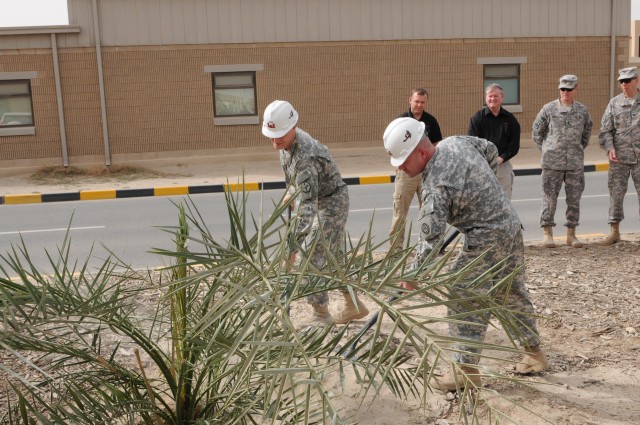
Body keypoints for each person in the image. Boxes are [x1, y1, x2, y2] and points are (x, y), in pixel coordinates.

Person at [383, 117, 548, 391]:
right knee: (512, 293)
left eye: (403, 160)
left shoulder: (436, 186)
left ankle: (465, 370)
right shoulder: (455, 142)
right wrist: (483, 190)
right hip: (508, 225)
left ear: (421, 152)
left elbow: (430, 243)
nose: (400, 167)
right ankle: (534, 354)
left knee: (462, 295)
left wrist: (411, 277)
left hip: (487, 237)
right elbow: (490, 151)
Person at [261, 100, 368, 325]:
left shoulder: (305, 155)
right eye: (271, 135)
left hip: (330, 204)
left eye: (279, 134)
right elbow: (294, 179)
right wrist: (292, 191)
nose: (274, 140)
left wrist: (291, 247)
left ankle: (321, 314)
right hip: (315, 198)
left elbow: (307, 209)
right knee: (331, 257)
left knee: (310, 256)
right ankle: (353, 304)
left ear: (294, 126)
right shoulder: (285, 144)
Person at [532, 75, 593, 248]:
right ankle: (547, 234)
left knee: (574, 199)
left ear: (576, 89)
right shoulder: (548, 109)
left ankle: (571, 235)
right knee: (549, 199)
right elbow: (537, 132)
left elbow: (586, 133)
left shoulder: (582, 110)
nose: (565, 92)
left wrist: (576, 149)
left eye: (569, 89)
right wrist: (547, 149)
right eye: (562, 89)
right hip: (552, 163)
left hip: (574, 163)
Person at [389, 87, 443, 252]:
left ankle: (430, 248)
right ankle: (395, 250)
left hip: (426, 173)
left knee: (429, 212)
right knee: (400, 212)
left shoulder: (431, 121)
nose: (419, 105)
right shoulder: (401, 121)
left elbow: (436, 144)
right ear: (409, 100)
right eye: (416, 101)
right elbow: (391, 146)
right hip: (406, 173)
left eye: (422, 102)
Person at [598, 67, 640, 246]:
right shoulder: (614, 103)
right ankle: (614, 231)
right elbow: (605, 131)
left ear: (636, 80)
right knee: (616, 194)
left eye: (628, 80)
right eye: (621, 81)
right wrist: (610, 148)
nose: (624, 84)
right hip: (619, 159)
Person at [468, 84, 521, 199]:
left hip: (503, 166)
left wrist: (501, 158)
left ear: (502, 97)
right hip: (483, 166)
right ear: (486, 97)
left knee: (504, 202)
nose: (492, 99)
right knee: (484, 202)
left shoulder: (510, 119)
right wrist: (485, 160)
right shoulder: (477, 118)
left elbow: (514, 145)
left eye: (496, 96)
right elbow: (472, 144)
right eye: (490, 96)